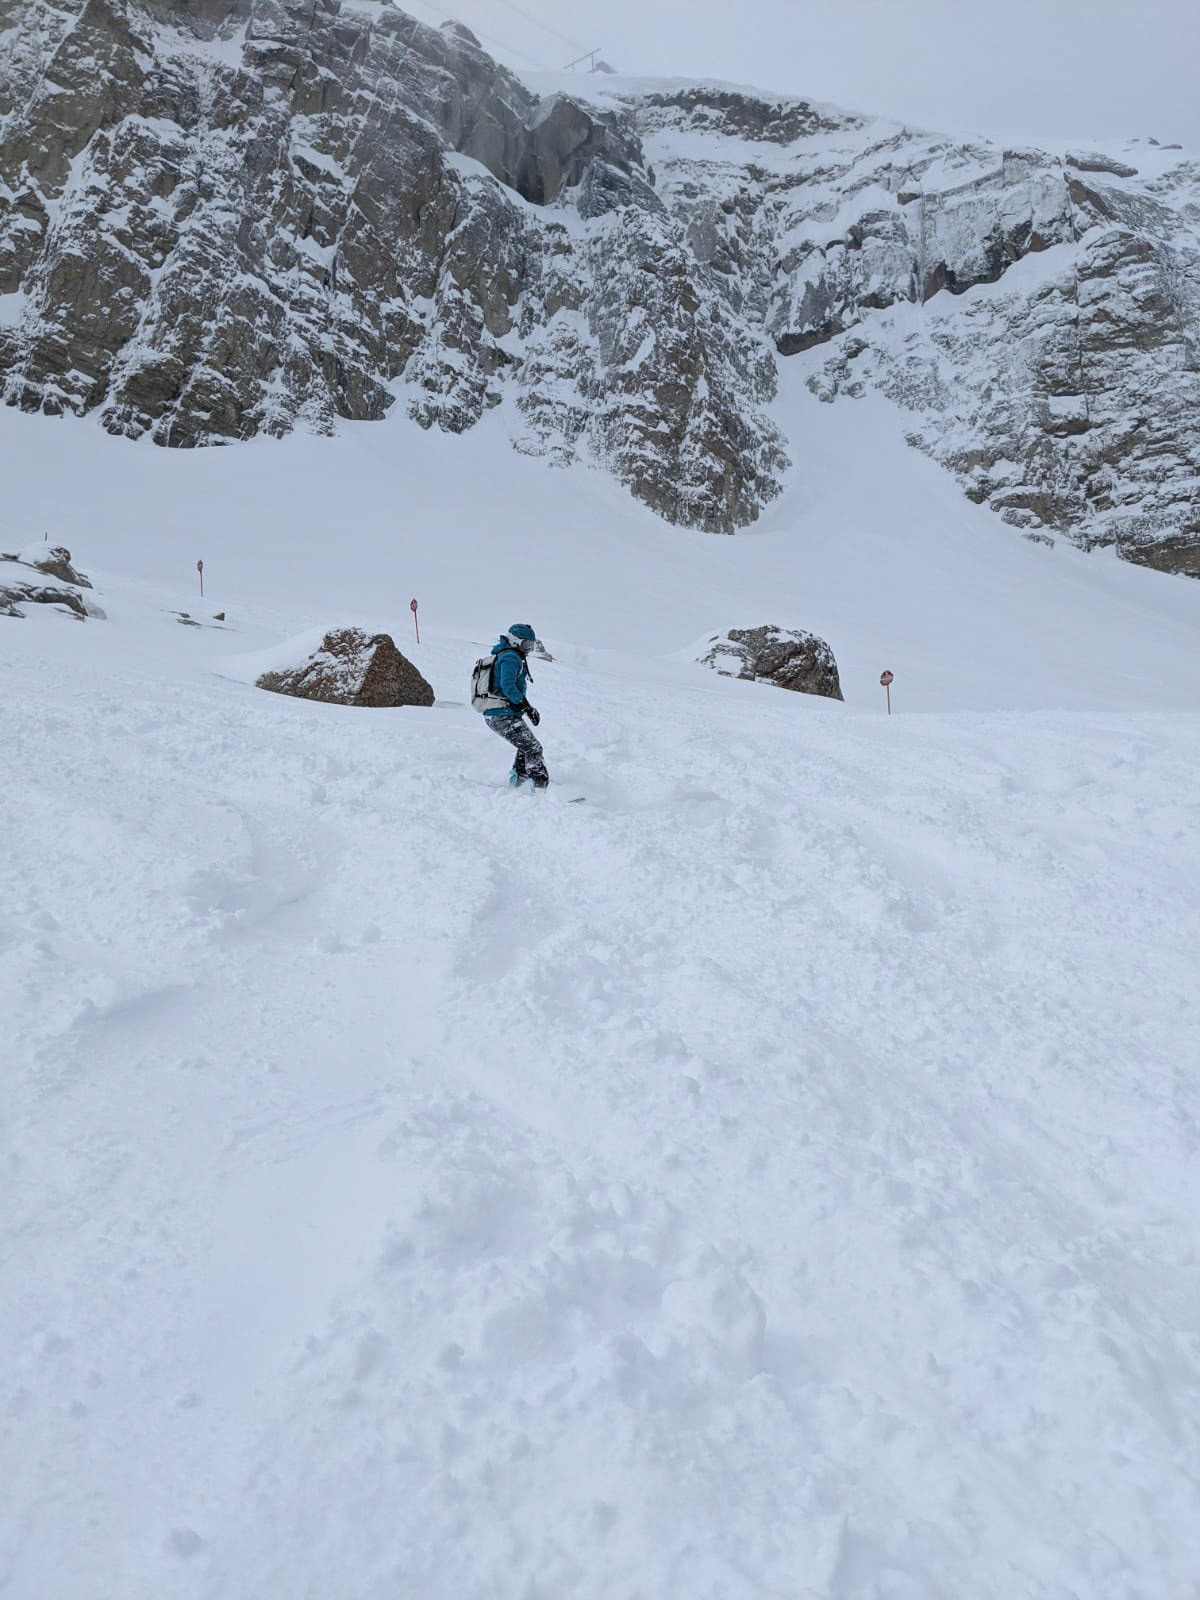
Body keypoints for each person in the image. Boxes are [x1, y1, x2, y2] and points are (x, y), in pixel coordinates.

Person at [483, 624, 550, 790]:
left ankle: (517, 783)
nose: (529, 649)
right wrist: (528, 708)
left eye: (531, 645)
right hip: (501, 714)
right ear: (515, 641)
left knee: (525, 747)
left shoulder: (508, 655)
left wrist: (525, 708)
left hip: (499, 714)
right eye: (526, 644)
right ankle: (541, 789)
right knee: (534, 749)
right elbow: (508, 686)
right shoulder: (510, 657)